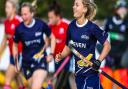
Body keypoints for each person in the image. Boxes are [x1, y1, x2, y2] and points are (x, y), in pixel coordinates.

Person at [56, 0, 111, 89]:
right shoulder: (71, 26)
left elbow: (107, 45)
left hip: (91, 74)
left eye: (77, 5)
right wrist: (61, 55)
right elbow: (68, 46)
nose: (73, 7)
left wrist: (99, 61)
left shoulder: (92, 28)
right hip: (78, 75)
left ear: (84, 9)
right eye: (74, 5)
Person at [13, 2, 55, 89]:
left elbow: (52, 37)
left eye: (26, 14)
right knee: (34, 87)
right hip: (26, 63)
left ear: (32, 13)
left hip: (40, 61)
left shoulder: (40, 24)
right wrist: (16, 62)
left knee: (35, 87)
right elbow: (15, 45)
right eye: (22, 15)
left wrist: (51, 54)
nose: (23, 17)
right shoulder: (19, 29)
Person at [47, 1, 72, 89]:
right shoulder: (49, 27)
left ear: (57, 16)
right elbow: (46, 42)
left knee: (61, 80)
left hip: (67, 59)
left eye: (51, 18)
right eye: (48, 17)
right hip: (56, 59)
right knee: (63, 82)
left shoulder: (67, 25)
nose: (49, 20)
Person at [0, 0, 24, 89]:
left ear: (14, 9)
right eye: (5, 7)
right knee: (18, 81)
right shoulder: (6, 22)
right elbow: (4, 41)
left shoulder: (19, 21)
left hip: (20, 55)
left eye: (8, 7)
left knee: (7, 80)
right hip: (12, 55)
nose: (6, 10)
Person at [104, 0, 128, 69]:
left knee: (121, 77)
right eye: (121, 9)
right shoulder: (109, 20)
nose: (123, 11)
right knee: (107, 76)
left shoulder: (126, 23)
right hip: (109, 54)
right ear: (116, 9)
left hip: (122, 55)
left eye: (125, 9)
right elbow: (103, 35)